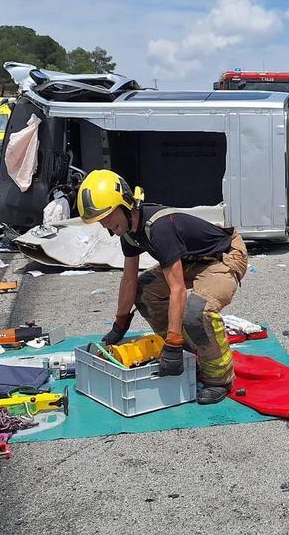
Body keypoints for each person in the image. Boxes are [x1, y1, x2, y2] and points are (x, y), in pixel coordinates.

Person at [80, 169, 247, 405]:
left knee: (197, 312)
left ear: (125, 204)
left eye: (107, 214)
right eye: (100, 219)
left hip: (223, 256)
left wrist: (173, 342)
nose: (104, 223)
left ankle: (219, 378)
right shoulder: (128, 233)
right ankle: (190, 354)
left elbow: (177, 288)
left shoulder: (159, 228)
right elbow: (129, 280)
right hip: (190, 260)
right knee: (145, 291)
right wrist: (119, 324)